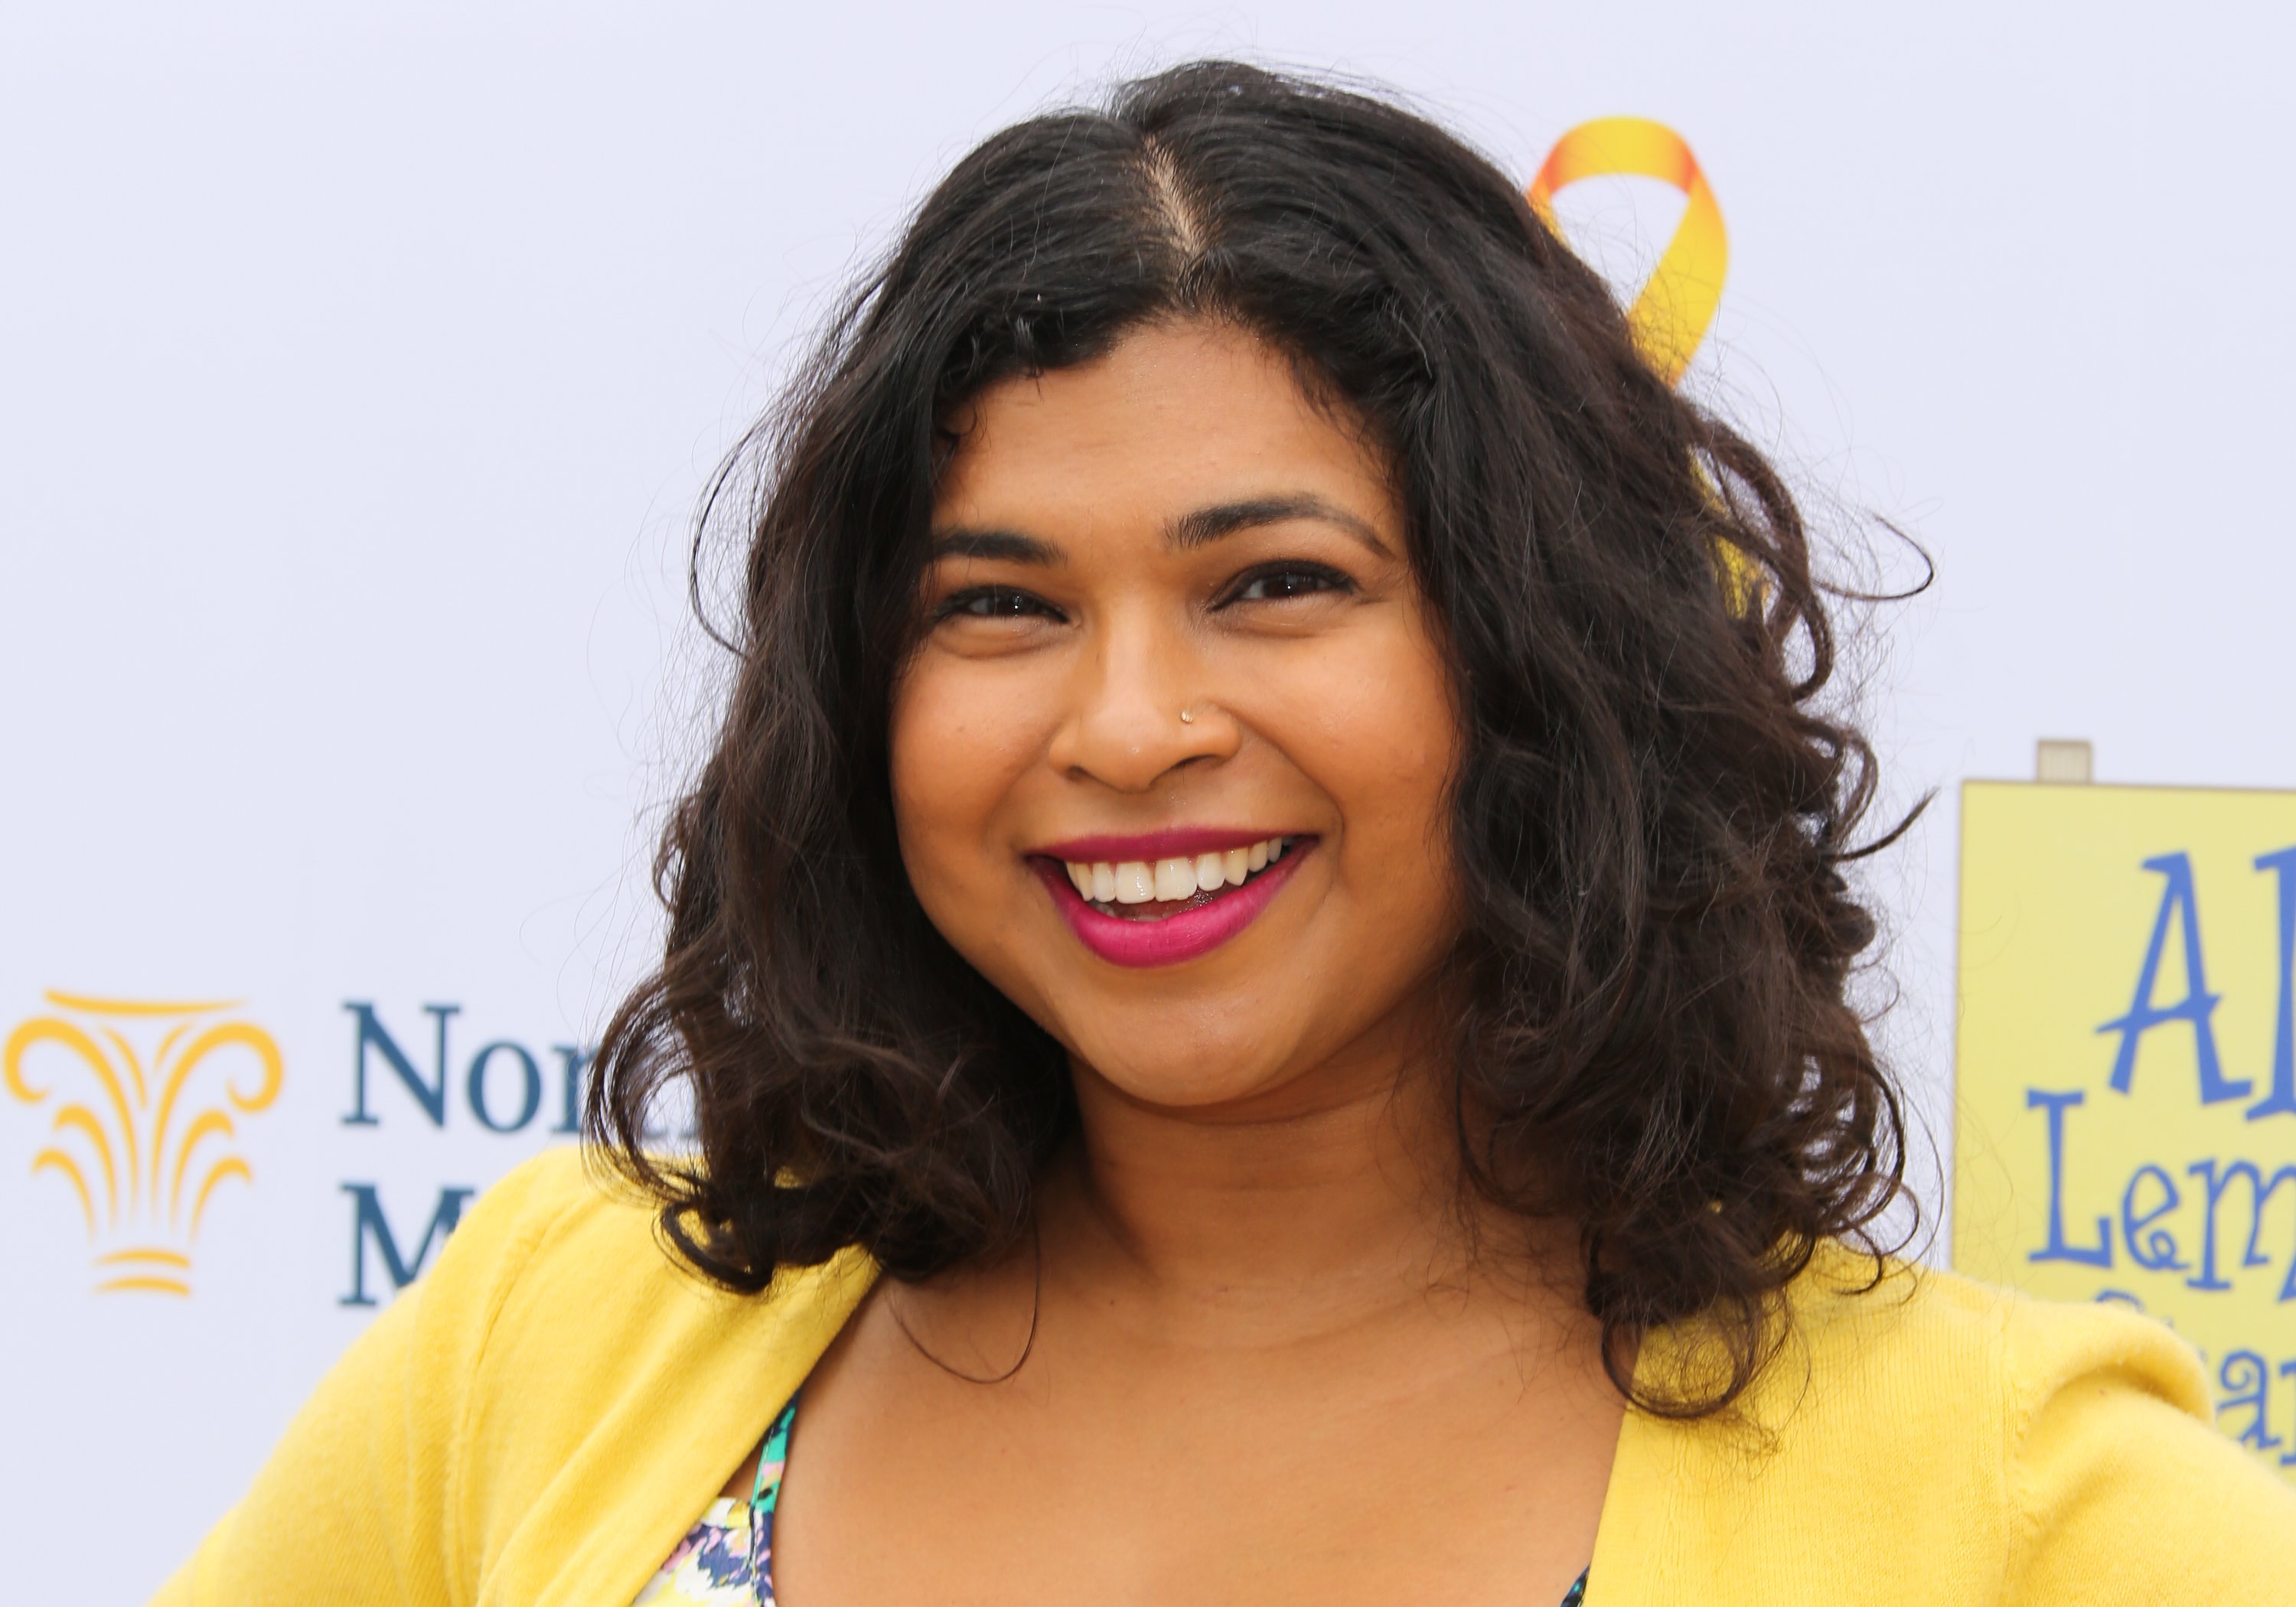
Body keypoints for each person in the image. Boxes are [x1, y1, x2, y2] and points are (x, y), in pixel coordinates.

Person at [155, 61, 2296, 1606]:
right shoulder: (554, 1328)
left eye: (1273, 583)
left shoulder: (2022, 1511)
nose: (1131, 724)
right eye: (997, 606)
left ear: (1537, 656)